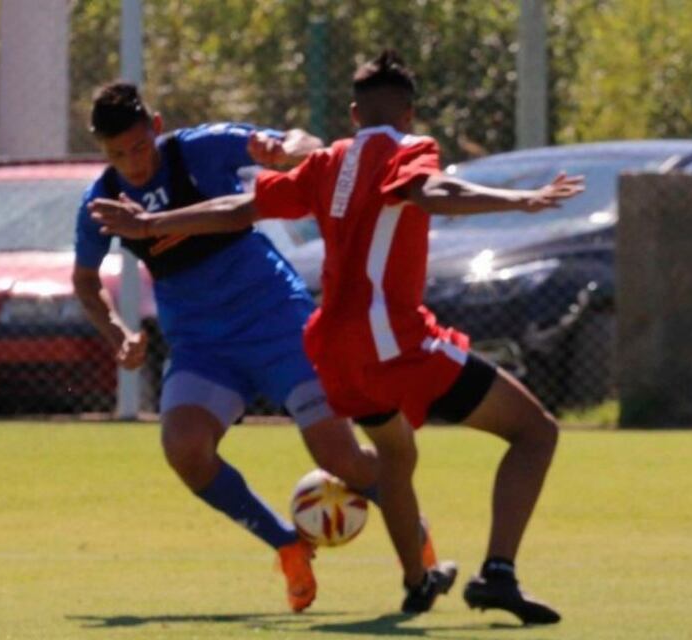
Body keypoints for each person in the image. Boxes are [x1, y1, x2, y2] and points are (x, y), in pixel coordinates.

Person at [89, 52, 584, 622]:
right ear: (410, 112)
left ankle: (418, 577)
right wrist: (517, 201)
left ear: (352, 114)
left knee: (395, 455)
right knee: (535, 433)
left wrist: (150, 225)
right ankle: (498, 573)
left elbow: (239, 208)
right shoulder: (408, 150)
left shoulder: (328, 163)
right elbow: (431, 192)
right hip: (397, 343)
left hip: (334, 350)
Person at [72, 81, 445, 614]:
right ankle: (288, 546)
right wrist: (119, 334)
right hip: (202, 344)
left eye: (138, 147)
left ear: (155, 127)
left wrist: (287, 148)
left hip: (276, 322)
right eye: (116, 154)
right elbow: (85, 281)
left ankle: (415, 535)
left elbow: (295, 141)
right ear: (101, 152)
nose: (132, 163)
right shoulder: (101, 201)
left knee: (338, 456)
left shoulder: (202, 148)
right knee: (185, 449)